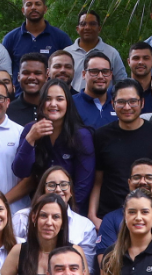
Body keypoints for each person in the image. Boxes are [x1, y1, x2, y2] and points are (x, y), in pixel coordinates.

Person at [90, 80, 152, 224]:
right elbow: (98, 181)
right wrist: (93, 216)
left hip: (147, 217)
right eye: (121, 102)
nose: (127, 107)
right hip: (110, 216)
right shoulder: (101, 136)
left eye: (132, 101)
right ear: (113, 104)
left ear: (142, 103)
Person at [11, 80, 94, 211]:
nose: (53, 104)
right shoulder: (30, 129)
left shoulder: (81, 135)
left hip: (71, 209)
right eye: (48, 99)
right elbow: (20, 171)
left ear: (68, 103)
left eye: (59, 99)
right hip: (38, 208)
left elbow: (84, 183)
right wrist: (30, 139)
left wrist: (67, 212)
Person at [1, 0, 70, 65]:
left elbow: (69, 67)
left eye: (38, 4)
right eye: (29, 4)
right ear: (23, 10)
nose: (33, 7)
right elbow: (4, 69)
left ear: (45, 9)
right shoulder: (10, 39)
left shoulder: (61, 38)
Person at [62, 10, 121, 92]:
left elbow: (121, 82)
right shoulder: (67, 53)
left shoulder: (111, 53)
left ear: (99, 28)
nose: (87, 27)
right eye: (83, 24)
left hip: (102, 103)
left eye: (92, 24)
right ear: (77, 29)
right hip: (72, 102)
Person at [72, 52, 119, 129]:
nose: (100, 76)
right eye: (94, 71)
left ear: (111, 75)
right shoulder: (71, 104)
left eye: (105, 72)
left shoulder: (120, 103)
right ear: (84, 74)